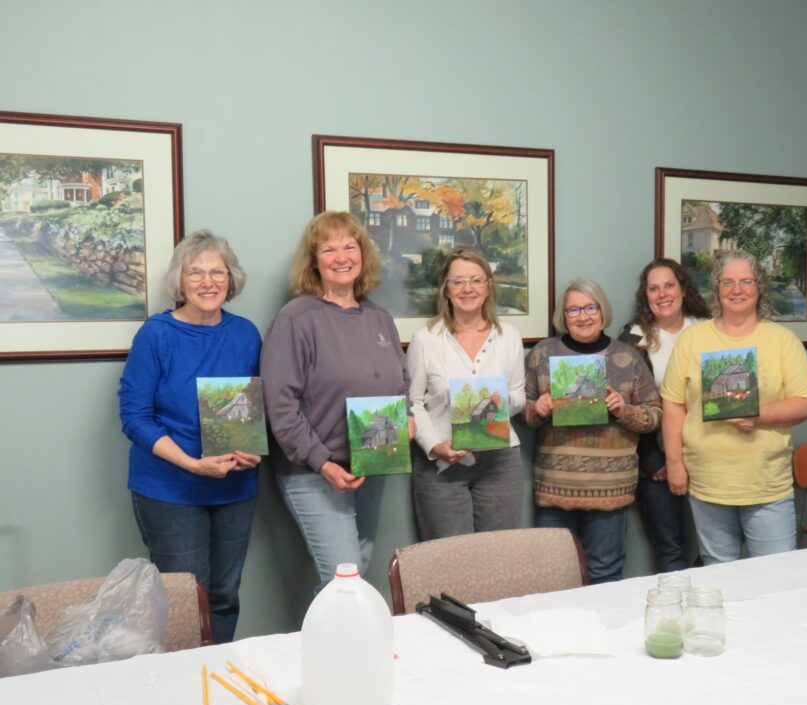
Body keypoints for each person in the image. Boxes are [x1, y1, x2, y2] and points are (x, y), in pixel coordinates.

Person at [119, 230, 261, 644]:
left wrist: (253, 451)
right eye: (195, 272)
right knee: (185, 601)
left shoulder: (245, 333)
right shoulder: (156, 334)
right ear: (180, 281)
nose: (207, 282)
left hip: (235, 487)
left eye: (217, 272)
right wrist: (191, 463)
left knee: (224, 597)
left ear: (231, 279)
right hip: (170, 489)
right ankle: (183, 682)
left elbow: (253, 406)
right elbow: (134, 417)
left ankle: (218, 675)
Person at [262, 211, 409, 591]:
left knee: (351, 574)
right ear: (314, 261)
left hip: (371, 466)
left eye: (349, 247)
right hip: (315, 472)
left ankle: (327, 632)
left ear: (363, 254)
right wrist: (322, 462)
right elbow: (280, 405)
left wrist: (406, 418)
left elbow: (402, 383)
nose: (341, 257)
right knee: (345, 579)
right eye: (329, 250)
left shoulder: (379, 318)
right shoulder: (296, 319)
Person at [660, 252, 807, 565]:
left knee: (776, 575)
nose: (737, 290)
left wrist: (759, 417)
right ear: (717, 288)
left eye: (746, 281)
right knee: (718, 574)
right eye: (728, 282)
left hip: (766, 483)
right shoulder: (692, 340)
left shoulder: (782, 340)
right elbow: (674, 404)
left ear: (759, 287)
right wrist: (675, 463)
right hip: (708, 482)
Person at [524, 278, 661, 583]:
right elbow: (522, 412)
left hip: (610, 489)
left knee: (604, 573)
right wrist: (539, 409)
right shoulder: (542, 354)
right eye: (573, 310)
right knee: (553, 578)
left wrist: (624, 411)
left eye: (590, 308)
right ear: (563, 315)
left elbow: (655, 415)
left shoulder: (629, 357)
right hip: (555, 489)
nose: (582, 316)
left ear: (602, 311)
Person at [407, 247, 526, 539]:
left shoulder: (509, 337)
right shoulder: (425, 340)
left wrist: (495, 402)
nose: (467, 288)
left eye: (476, 280)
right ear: (446, 289)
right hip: (442, 463)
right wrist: (434, 446)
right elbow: (413, 403)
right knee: (450, 556)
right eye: (458, 281)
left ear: (488, 286)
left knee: (498, 554)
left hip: (500, 461)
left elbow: (519, 396)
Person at [619, 259, 710, 572]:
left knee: (718, 549)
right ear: (645, 296)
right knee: (670, 551)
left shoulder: (709, 329)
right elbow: (626, 407)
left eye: (669, 285)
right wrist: (654, 460)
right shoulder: (632, 340)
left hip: (709, 456)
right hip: (657, 463)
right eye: (653, 289)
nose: (662, 294)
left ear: (683, 289)